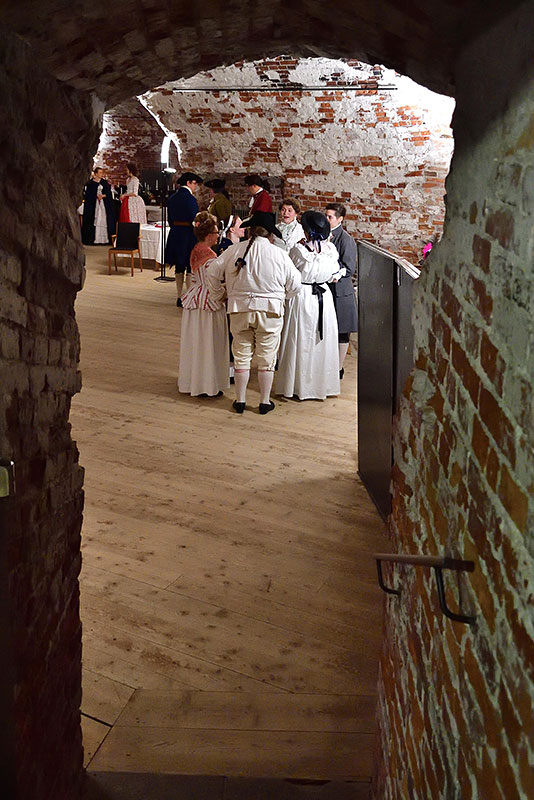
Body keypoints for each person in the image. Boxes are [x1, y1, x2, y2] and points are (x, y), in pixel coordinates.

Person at [206, 211, 301, 415]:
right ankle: (264, 402)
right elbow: (296, 284)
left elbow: (211, 272)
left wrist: (220, 295)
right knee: (267, 357)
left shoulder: (234, 250)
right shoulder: (279, 254)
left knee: (241, 355)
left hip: (240, 309)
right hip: (270, 311)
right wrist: (281, 297)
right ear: (271, 234)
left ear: (250, 231)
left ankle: (240, 400)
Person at [275, 211, 340, 400]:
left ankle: (297, 385)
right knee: (319, 339)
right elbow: (334, 274)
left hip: (302, 296)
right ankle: (321, 385)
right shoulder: (330, 250)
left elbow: (289, 273)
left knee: (300, 338)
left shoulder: (298, 250)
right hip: (323, 295)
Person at [178, 212, 229, 398]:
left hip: (195, 298)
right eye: (216, 232)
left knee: (196, 341)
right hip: (208, 303)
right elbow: (213, 284)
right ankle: (208, 384)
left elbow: (195, 278)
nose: (217, 236)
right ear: (209, 235)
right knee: (209, 342)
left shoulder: (196, 249)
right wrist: (224, 294)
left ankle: (194, 380)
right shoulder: (210, 256)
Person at [324, 203, 358, 379]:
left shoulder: (345, 239)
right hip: (327, 289)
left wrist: (335, 273)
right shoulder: (323, 236)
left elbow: (349, 267)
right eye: (326, 216)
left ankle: (338, 367)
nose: (326, 219)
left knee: (342, 331)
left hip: (341, 292)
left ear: (340, 219)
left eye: (330, 217)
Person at [165, 172, 203, 303]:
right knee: (189, 265)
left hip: (175, 233)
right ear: (188, 183)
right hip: (188, 235)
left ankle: (179, 296)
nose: (195, 186)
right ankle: (188, 297)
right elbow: (194, 219)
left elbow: (170, 218)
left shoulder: (172, 198)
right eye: (194, 183)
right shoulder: (191, 199)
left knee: (179, 266)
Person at [81, 167, 115, 245]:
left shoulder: (104, 183)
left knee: (103, 219)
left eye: (102, 172)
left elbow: (109, 193)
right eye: (100, 172)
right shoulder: (90, 183)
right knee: (94, 219)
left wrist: (103, 196)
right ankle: (93, 239)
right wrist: (95, 196)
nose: (101, 174)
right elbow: (88, 195)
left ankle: (104, 239)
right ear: (96, 173)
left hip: (103, 204)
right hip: (94, 204)